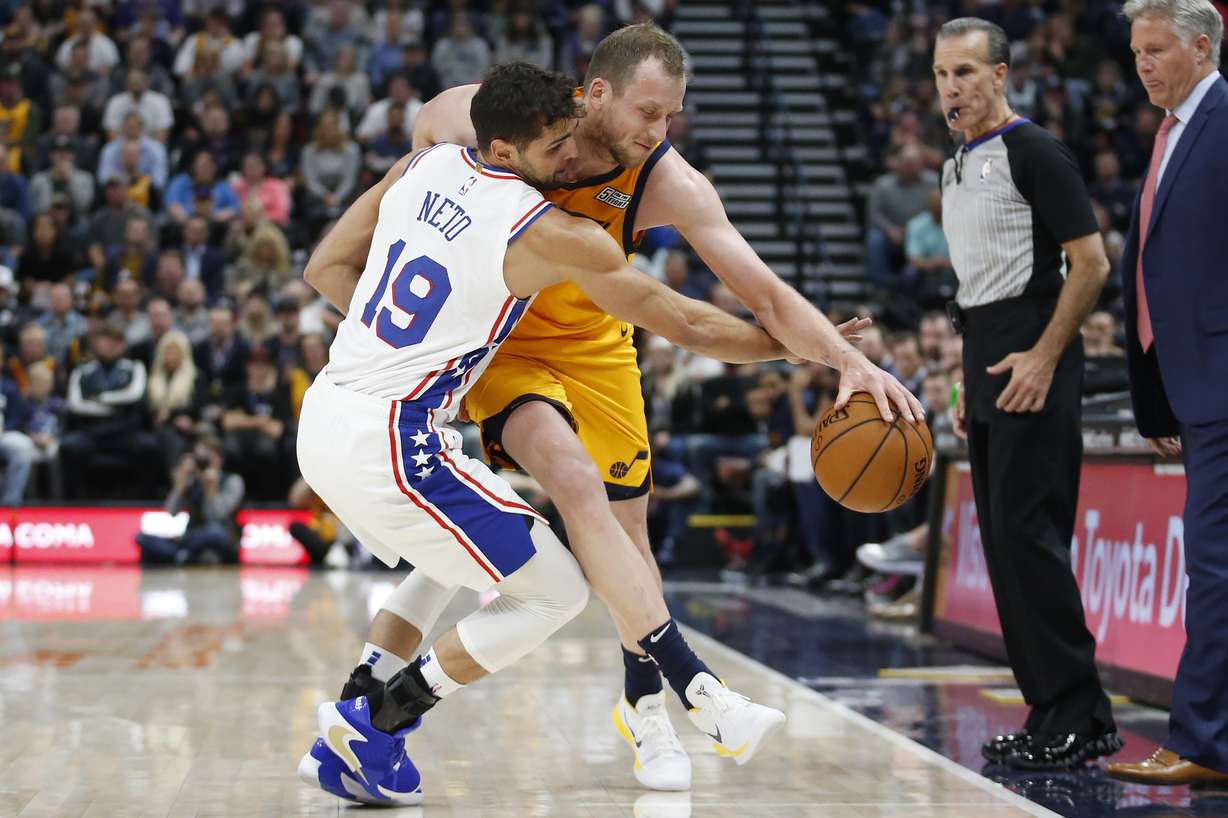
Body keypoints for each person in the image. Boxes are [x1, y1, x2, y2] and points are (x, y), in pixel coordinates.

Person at [314, 23, 920, 794]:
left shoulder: (669, 182)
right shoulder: (503, 125)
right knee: (570, 484)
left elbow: (758, 294)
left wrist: (847, 359)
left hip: (598, 344)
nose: (657, 130)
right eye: (647, 111)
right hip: (507, 348)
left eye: (670, 116)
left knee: (622, 536)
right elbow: (429, 135)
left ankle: (641, 706)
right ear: (591, 95)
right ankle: (692, 688)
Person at [934, 18, 1119, 770]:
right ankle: (1051, 713)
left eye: (967, 73)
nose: (952, 88)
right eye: (943, 74)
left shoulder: (1033, 150)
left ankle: (1082, 713)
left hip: (1033, 359)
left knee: (1031, 538)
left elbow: (1093, 263)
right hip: (985, 358)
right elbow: (977, 283)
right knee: (1008, 546)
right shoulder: (956, 164)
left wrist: (1045, 356)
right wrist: (961, 374)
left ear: (1003, 75)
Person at [1107, 0, 1228, 788]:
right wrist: (1155, 391)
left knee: (1213, 567)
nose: (1143, 64)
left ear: (1200, 44)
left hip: (1219, 381)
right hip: (1190, 384)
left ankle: (1203, 741)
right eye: (1136, 50)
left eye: (1156, 49)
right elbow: (1156, 266)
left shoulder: (1222, 120)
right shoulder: (1172, 129)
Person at [135, 434, 244, 565]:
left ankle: (179, 556)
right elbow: (171, 512)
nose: (203, 462)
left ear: (220, 459)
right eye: (199, 458)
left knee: (215, 532)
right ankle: (183, 556)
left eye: (208, 457)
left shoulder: (233, 481)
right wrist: (180, 485)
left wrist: (211, 489)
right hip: (193, 536)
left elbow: (215, 517)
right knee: (142, 538)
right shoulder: (191, 481)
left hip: (220, 535)